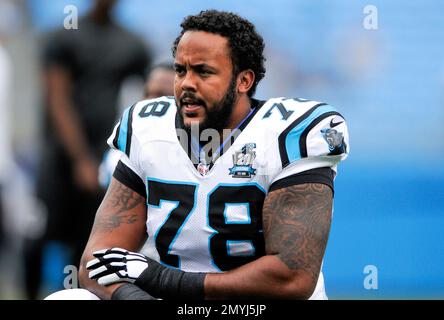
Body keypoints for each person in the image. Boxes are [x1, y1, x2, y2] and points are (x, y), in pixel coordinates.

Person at [51, 9, 349, 300]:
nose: (186, 84)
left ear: (244, 80)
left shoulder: (291, 134)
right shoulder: (147, 127)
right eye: (181, 70)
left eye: (203, 72)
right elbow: (95, 263)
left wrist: (161, 279)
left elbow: (292, 278)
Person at [24, 0, 151, 299]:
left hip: (102, 157)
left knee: (85, 241)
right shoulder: (64, 36)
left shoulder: (131, 43)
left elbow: (146, 97)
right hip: (59, 159)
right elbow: (57, 99)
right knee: (39, 235)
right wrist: (79, 158)